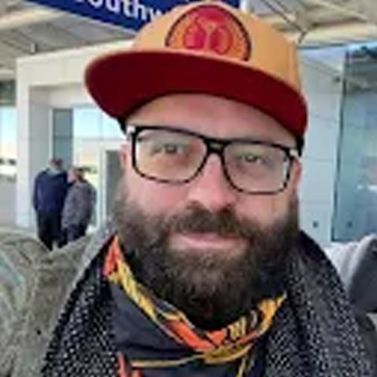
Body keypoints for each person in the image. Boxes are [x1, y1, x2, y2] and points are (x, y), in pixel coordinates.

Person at [0, 2, 374, 376]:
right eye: (170, 149)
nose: (211, 197)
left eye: (253, 158)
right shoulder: (19, 318)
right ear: (129, 163)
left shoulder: (360, 348)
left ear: (293, 180)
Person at [32, 158, 69, 250]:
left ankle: (60, 261)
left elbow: (69, 197)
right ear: (50, 164)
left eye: (58, 164)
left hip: (58, 215)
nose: (55, 165)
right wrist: (38, 208)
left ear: (61, 165)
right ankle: (46, 260)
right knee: (43, 240)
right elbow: (35, 194)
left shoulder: (65, 178)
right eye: (53, 163)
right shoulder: (41, 176)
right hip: (43, 214)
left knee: (60, 240)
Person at [61, 167, 96, 245]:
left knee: (74, 248)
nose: (67, 177)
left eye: (69, 175)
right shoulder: (74, 188)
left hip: (74, 225)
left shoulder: (81, 189)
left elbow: (83, 208)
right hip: (71, 224)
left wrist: (76, 223)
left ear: (75, 176)